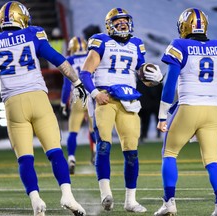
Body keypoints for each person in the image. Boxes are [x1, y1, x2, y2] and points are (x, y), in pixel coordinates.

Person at [0, 2, 87, 216]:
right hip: (38, 99)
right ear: (21, 17)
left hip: (13, 104)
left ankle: (36, 200)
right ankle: (67, 195)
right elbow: (60, 61)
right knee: (55, 151)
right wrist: (77, 83)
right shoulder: (33, 34)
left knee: (25, 158)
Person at [79, 8, 163, 212]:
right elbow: (85, 73)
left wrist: (154, 78)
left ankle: (130, 201)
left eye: (125, 21)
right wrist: (95, 93)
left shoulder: (136, 44)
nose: (123, 24)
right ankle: (105, 193)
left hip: (128, 100)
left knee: (132, 152)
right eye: (118, 21)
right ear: (110, 24)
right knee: (103, 146)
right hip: (105, 98)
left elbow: (142, 74)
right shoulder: (101, 41)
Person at [154, 8, 217, 216]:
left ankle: (169, 203)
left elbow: (170, 84)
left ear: (184, 26)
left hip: (188, 106)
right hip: (212, 109)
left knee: (169, 154)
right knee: (212, 161)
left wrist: (162, 115)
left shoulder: (179, 45)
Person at [60, 36, 96, 174]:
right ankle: (95, 153)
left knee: (73, 131)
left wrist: (63, 102)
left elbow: (66, 85)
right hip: (91, 95)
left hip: (78, 97)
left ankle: (71, 158)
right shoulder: (91, 56)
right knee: (94, 130)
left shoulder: (69, 60)